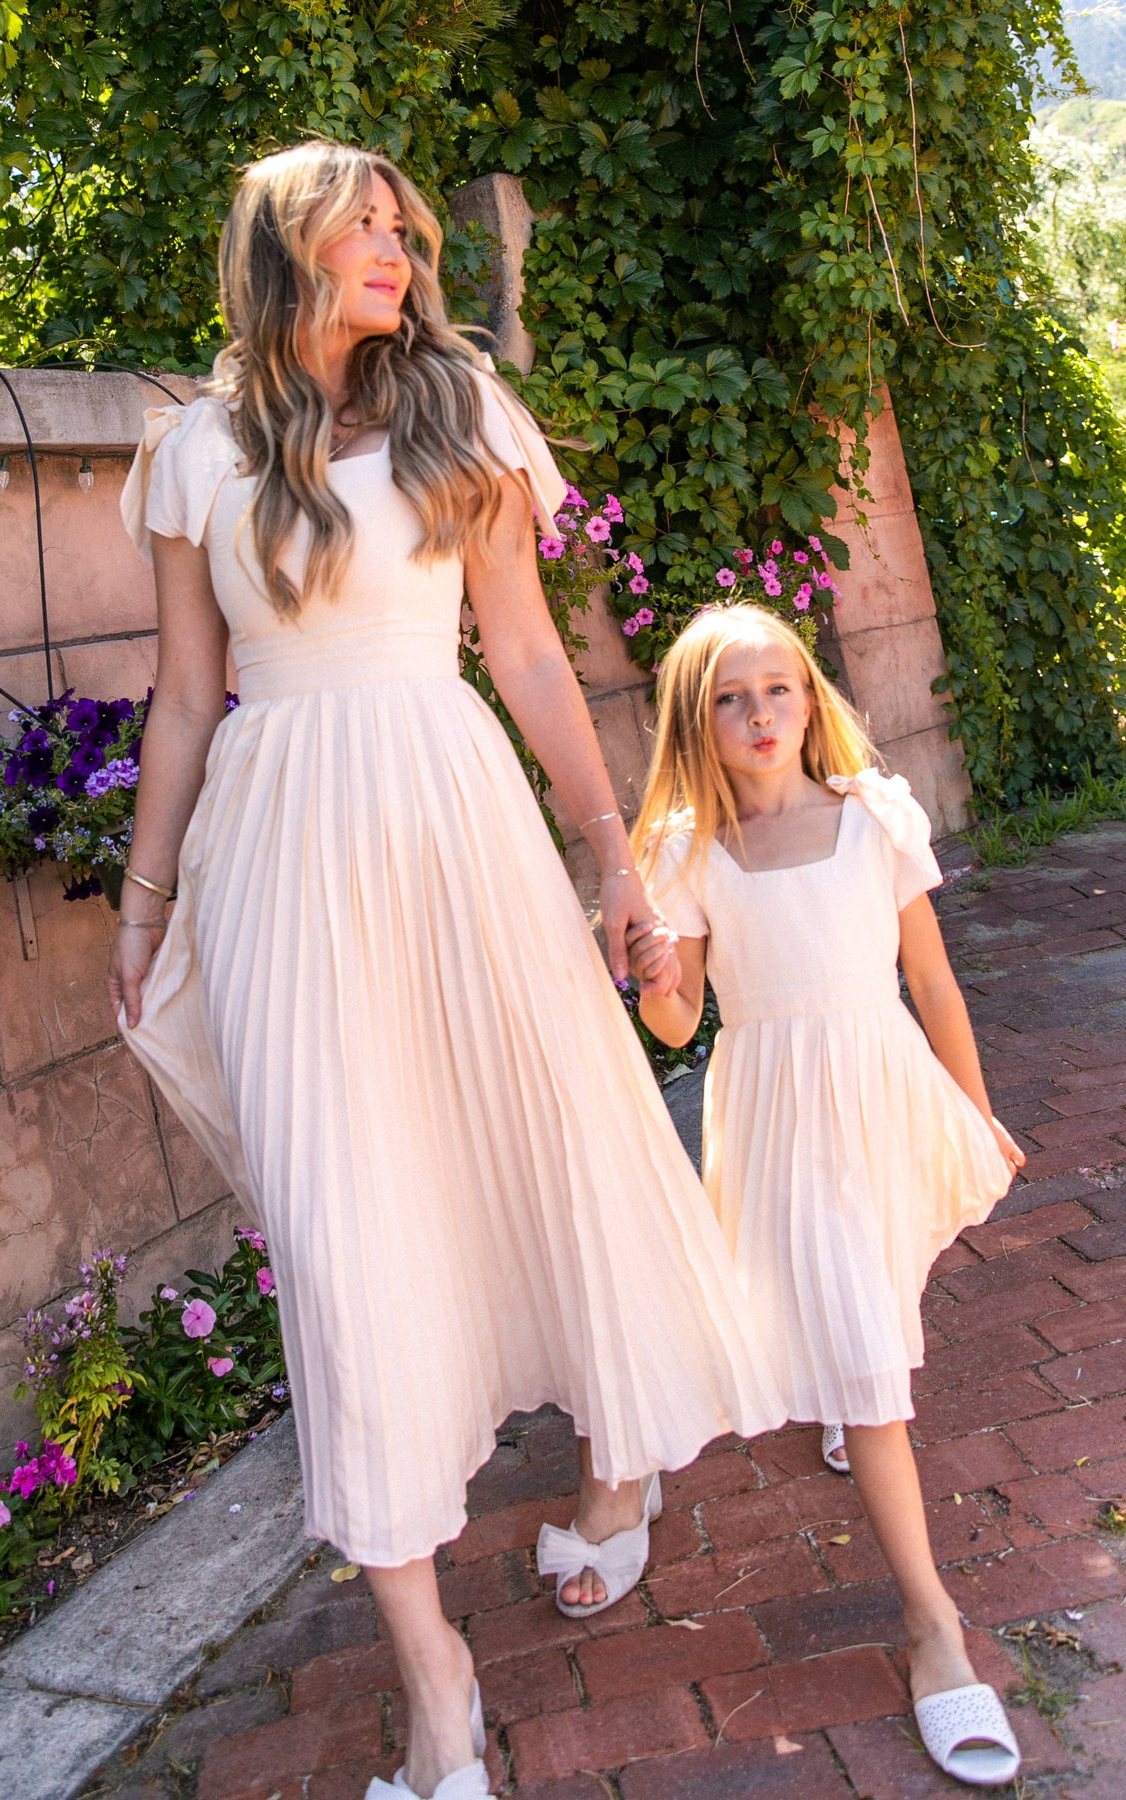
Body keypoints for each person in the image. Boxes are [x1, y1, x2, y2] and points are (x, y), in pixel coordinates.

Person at [108, 143, 782, 1800]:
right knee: (340, 1234)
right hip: (279, 857)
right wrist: (143, 905)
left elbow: (529, 652)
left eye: (401, 229)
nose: (395, 251)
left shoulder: (457, 410)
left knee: (556, 1142)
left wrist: (614, 857)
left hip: (452, 816)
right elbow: (187, 697)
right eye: (361, 229)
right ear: (283, 252)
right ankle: (435, 1681)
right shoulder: (194, 453)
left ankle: (623, 1461)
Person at [626, 603, 1026, 1790]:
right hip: (778, 1108)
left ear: (810, 699)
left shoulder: (872, 817)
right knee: (863, 1350)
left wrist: (976, 1109)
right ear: (697, 721)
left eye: (777, 690)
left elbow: (932, 980)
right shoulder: (691, 853)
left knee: (878, 1276)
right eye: (730, 699)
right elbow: (679, 1023)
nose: (759, 716)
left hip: (881, 1083)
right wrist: (652, 972)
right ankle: (934, 1628)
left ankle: (859, 1394)